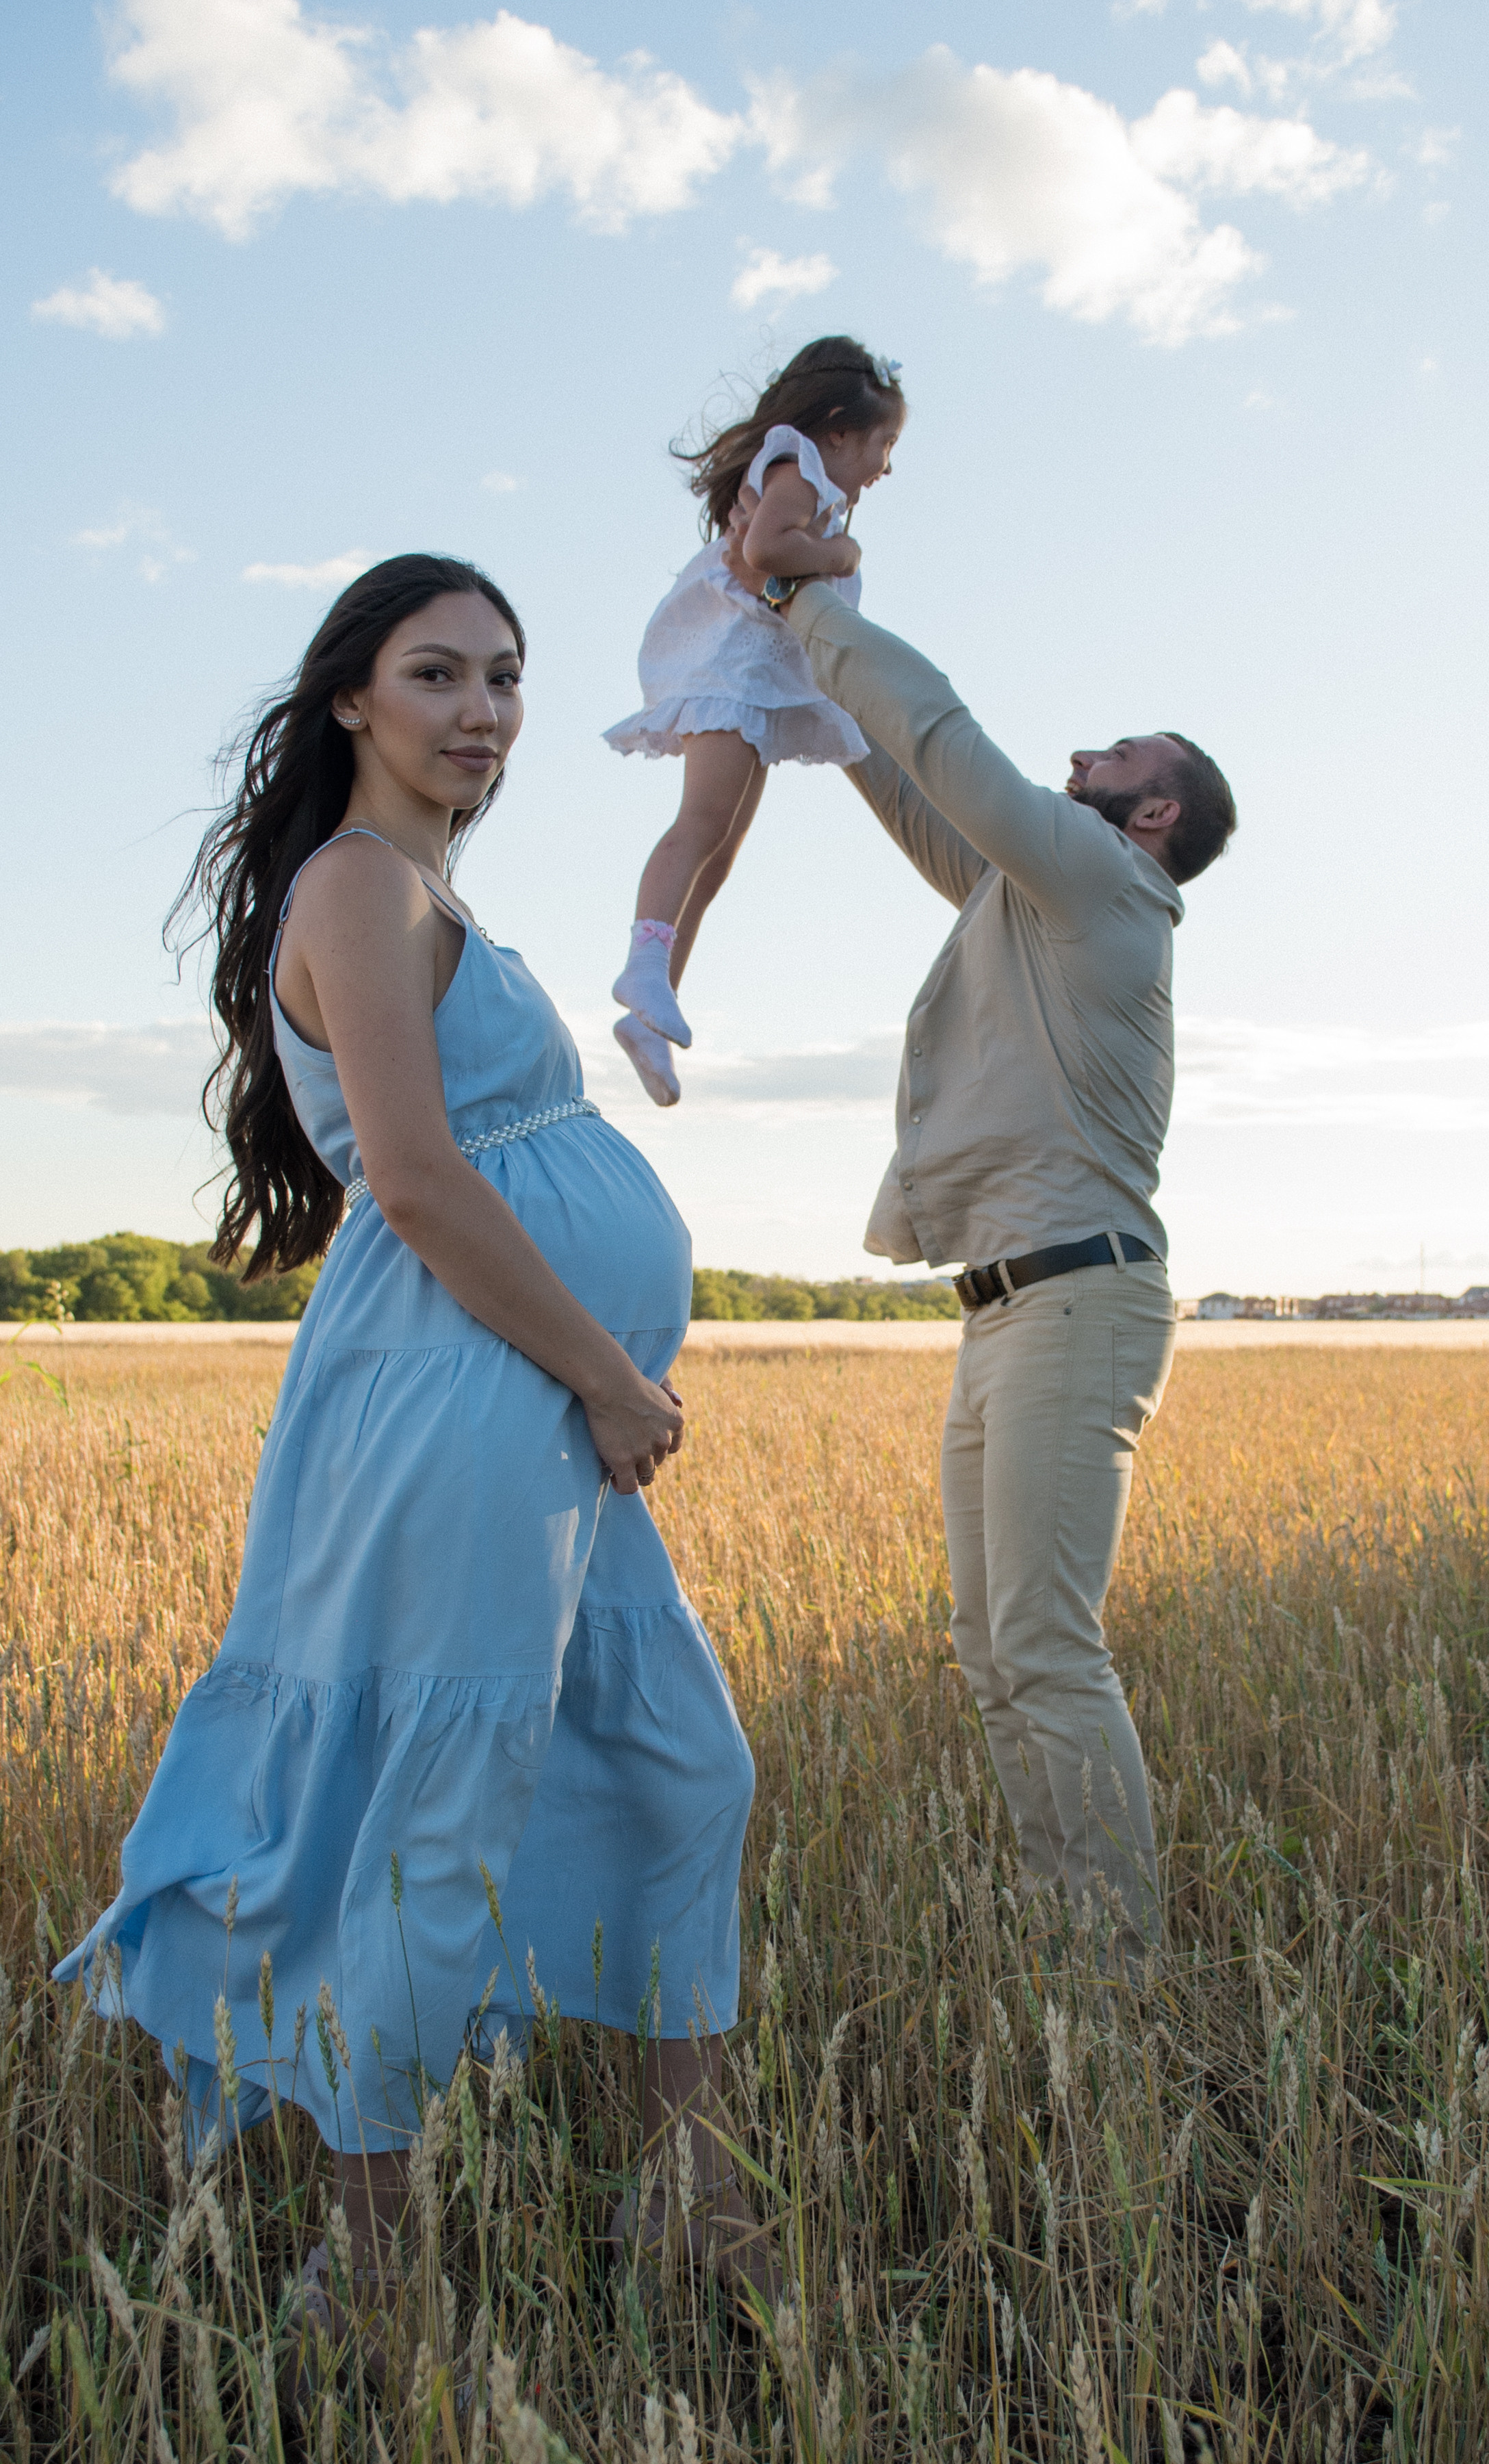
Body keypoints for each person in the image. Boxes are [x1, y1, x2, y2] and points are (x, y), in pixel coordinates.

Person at [56, 555, 766, 2368]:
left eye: (508, 679)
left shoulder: (430, 887)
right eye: (436, 673)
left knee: (685, 1762)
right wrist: (611, 1375)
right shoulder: (359, 883)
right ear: (351, 702)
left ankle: (694, 2181)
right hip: (474, 1390)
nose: (481, 710)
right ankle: (366, 2266)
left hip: (519, 1395)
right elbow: (426, 1181)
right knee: (430, 1826)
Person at [725, 519, 1236, 1968]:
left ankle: (1121, 1974)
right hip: (1006, 1307)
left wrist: (807, 596)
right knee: (993, 1650)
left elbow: (952, 746)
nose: (1086, 756)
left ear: (1152, 820)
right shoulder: (1033, 897)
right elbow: (921, 792)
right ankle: (1065, 1939)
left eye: (1121, 756)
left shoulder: (1107, 889)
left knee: (1049, 1648)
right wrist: (818, 698)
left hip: (1082, 1299)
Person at [604, 337, 905, 1105]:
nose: (886, 467)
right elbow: (767, 551)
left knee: (722, 852)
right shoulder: (797, 464)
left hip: (754, 679)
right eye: (884, 444)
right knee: (699, 826)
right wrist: (839, 555)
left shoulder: (803, 476)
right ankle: (642, 963)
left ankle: (653, 1003)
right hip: (733, 671)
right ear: (839, 429)